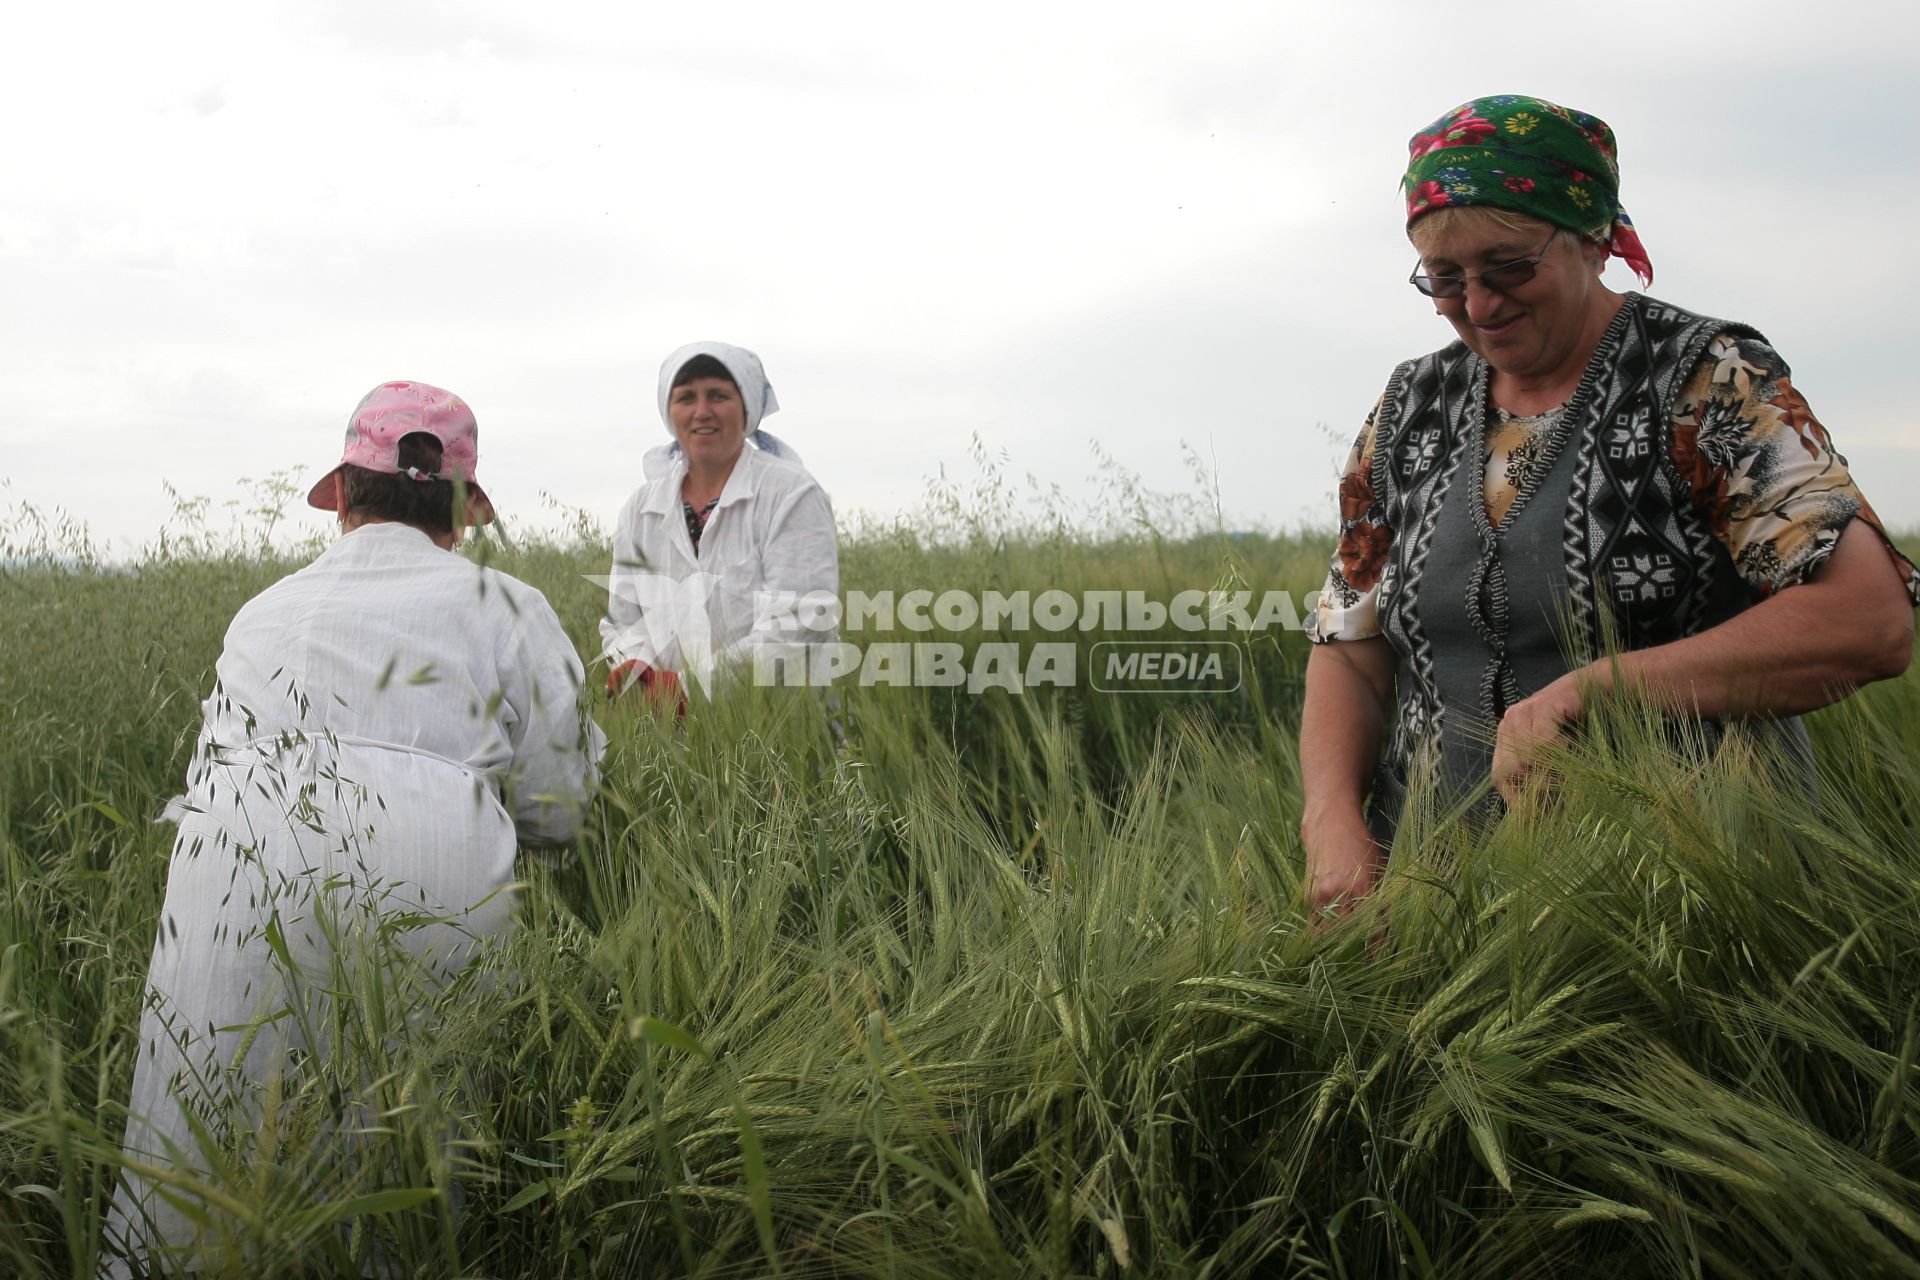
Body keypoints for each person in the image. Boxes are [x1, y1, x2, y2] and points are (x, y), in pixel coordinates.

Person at [1300, 95, 1919, 916]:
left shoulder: (1706, 381)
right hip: (1434, 913)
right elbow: (1350, 641)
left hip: (1692, 908)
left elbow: (1868, 619)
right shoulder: (1409, 408)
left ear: (1593, 239)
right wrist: (1332, 821)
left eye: (1509, 267)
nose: (1478, 305)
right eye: (1445, 279)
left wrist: (1600, 691)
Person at [106, 382, 601, 1271]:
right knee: (405, 1154)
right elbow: (558, 805)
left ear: (343, 495)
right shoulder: (509, 605)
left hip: (235, 850)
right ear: (466, 510)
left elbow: (206, 763)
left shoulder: (265, 610)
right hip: (435, 857)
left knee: (203, 1135)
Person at [600, 341, 839, 700]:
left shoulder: (790, 494)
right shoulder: (640, 508)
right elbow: (623, 621)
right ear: (669, 412)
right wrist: (641, 677)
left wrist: (686, 691)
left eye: (718, 396)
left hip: (779, 733)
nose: (702, 412)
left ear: (747, 408)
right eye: (686, 398)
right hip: (667, 736)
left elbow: (798, 623)